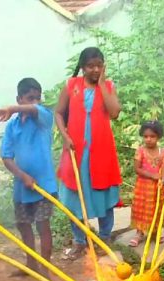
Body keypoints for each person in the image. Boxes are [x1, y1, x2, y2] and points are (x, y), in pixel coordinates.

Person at [55, 47, 122, 260]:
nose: (95, 69)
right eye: (90, 66)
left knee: (103, 193)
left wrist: (102, 85)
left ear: (104, 66)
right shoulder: (71, 86)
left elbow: (114, 113)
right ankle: (79, 241)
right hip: (76, 151)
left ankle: (104, 238)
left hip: (101, 152)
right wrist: (65, 135)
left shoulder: (109, 86)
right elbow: (58, 112)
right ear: (82, 67)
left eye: (99, 65)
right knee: (75, 196)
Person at [0, 77, 57, 279]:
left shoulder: (44, 117)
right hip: (22, 187)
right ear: (19, 98)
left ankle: (46, 271)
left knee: (43, 225)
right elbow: (6, 157)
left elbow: (33, 110)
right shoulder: (12, 126)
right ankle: (31, 264)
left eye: (38, 98)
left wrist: (13, 108)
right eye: (30, 98)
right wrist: (22, 176)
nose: (35, 102)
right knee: (23, 225)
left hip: (44, 186)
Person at [130, 120, 164, 246]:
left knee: (156, 208)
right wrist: (152, 175)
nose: (148, 139)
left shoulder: (162, 152)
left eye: (152, 136)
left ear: (158, 136)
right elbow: (137, 169)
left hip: (157, 187)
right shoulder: (140, 151)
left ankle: (154, 232)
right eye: (146, 136)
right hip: (143, 187)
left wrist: (163, 180)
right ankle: (139, 233)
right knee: (141, 209)